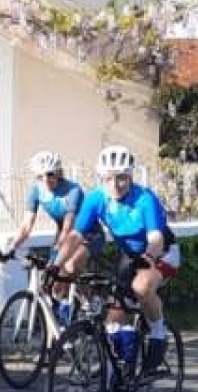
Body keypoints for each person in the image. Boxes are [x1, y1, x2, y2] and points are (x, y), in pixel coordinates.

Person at [70, 145, 181, 375]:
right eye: (108, 178)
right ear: (101, 178)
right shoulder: (96, 199)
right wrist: (58, 264)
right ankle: (117, 371)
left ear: (130, 176)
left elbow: (156, 237)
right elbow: (75, 235)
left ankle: (158, 336)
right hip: (129, 256)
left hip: (161, 252)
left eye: (121, 178)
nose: (115, 184)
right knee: (115, 316)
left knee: (141, 288)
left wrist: (148, 257)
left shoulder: (144, 198)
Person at [0, 149, 88, 318]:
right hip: (62, 234)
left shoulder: (73, 191)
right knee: (52, 285)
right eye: (40, 176)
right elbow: (26, 226)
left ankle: (80, 309)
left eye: (50, 174)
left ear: (59, 173)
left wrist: (57, 256)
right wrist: (11, 248)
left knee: (68, 266)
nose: (46, 180)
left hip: (85, 235)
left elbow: (69, 228)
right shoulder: (37, 191)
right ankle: (61, 320)